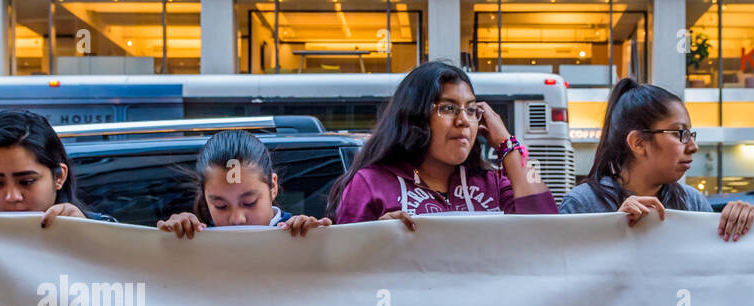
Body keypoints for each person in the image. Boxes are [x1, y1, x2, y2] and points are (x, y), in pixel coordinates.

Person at [329, 60, 558, 227]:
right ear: (416, 116)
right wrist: (377, 238)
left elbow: (548, 229)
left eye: (471, 110)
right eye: (448, 108)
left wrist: (507, 145)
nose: (463, 121)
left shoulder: (493, 184)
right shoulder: (370, 184)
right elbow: (347, 270)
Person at [558, 77, 754, 241]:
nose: (693, 147)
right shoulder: (581, 205)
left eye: (690, 134)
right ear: (638, 143)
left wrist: (739, 221)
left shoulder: (693, 202)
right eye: (679, 133)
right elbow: (564, 276)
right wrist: (614, 228)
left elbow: (711, 271)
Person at [157, 130, 331, 238]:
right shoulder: (195, 239)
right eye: (221, 206)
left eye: (249, 202)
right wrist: (173, 241)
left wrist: (315, 242)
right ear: (205, 199)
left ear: (273, 187)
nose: (237, 219)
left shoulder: (302, 235)